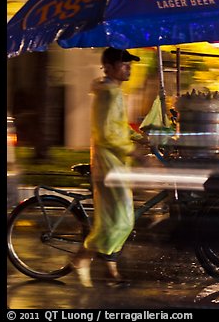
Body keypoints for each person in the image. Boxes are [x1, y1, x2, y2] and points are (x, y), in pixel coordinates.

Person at [71, 47, 148, 288]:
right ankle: (82, 258)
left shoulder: (111, 91)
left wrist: (137, 137)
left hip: (113, 164)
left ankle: (111, 271)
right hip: (110, 164)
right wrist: (132, 149)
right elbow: (107, 134)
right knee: (122, 220)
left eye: (130, 65)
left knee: (112, 219)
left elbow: (116, 126)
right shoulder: (109, 93)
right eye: (125, 65)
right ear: (111, 67)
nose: (129, 69)